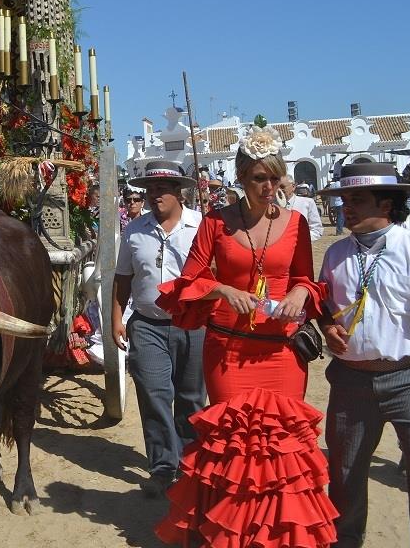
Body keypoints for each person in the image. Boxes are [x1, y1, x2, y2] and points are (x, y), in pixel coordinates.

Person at [154, 125, 338, 547]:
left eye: (275, 177)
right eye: (260, 178)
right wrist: (221, 288)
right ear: (241, 178)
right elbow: (188, 281)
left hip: (281, 353)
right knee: (233, 448)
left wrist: (297, 291)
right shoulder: (215, 223)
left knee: (282, 448)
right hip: (228, 352)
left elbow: (307, 281)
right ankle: (231, 536)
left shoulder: (294, 224)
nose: (269, 187)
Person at [317, 163, 410, 547]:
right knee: (344, 474)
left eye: (357, 200)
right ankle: (346, 542)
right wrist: (328, 327)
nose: (347, 208)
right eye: (344, 200)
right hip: (350, 381)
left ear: (387, 204)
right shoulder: (336, 254)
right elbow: (324, 304)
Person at [112, 162, 205, 496]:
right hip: (147, 325)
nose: (154, 195)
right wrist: (116, 317)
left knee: (192, 398)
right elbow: (123, 278)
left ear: (179, 191)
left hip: (193, 324)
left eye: (161, 189)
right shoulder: (134, 231)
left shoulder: (202, 227)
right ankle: (164, 465)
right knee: (154, 394)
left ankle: (192, 463)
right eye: (149, 189)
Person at [280, 176, 324, 241]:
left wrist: (301, 239)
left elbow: (316, 229)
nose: (279, 190)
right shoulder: (271, 205)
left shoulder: (308, 203)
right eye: (276, 187)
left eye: (282, 187)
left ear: (293, 186)